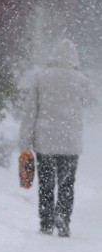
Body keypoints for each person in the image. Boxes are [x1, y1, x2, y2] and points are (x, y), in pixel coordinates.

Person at [19, 37, 95, 237]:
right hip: (70, 142)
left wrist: (25, 143)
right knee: (66, 183)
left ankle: (45, 222)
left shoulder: (41, 78)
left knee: (46, 183)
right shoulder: (79, 80)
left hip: (46, 141)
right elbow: (92, 99)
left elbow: (29, 113)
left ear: (53, 55)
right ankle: (63, 219)